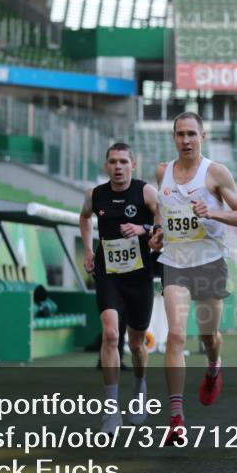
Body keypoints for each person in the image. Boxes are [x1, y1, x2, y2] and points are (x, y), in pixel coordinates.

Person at [149, 112, 237, 444]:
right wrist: (158, 232)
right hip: (175, 264)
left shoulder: (216, 173)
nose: (186, 140)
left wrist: (213, 211)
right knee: (176, 335)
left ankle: (213, 365)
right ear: (173, 137)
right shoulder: (163, 172)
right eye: (180, 134)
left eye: (192, 134)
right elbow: (163, 214)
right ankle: (176, 418)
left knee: (208, 338)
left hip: (209, 262)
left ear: (202, 137)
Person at [80, 142, 160, 434]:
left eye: (123, 162)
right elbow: (84, 217)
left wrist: (144, 229)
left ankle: (139, 386)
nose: (118, 167)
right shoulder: (95, 195)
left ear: (132, 165)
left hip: (139, 275)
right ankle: (111, 411)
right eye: (113, 161)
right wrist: (88, 250)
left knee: (137, 344)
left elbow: (163, 222)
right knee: (111, 333)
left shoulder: (146, 192)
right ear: (106, 165)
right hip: (108, 273)